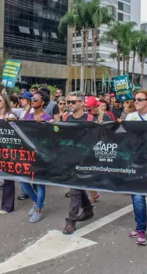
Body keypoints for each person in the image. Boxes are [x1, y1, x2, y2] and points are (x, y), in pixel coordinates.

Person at [119, 90, 147, 245]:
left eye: (139, 99)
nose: (135, 102)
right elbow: (124, 136)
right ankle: (139, 226)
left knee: (138, 195)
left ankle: (141, 229)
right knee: (136, 195)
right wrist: (119, 127)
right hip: (133, 160)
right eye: (135, 99)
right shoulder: (130, 117)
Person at [62, 92, 95, 235]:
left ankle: (71, 220)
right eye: (68, 102)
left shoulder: (90, 119)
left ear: (82, 103)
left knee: (74, 188)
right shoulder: (66, 118)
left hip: (85, 159)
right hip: (70, 158)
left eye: (73, 102)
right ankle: (87, 210)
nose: (70, 104)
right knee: (78, 187)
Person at [20, 90, 53, 223]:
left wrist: (46, 125)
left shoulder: (47, 118)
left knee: (39, 183)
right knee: (23, 181)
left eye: (35, 99)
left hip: (41, 156)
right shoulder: (28, 116)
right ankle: (37, 202)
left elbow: (52, 136)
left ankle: (39, 211)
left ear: (43, 102)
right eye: (32, 99)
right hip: (27, 155)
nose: (32, 101)